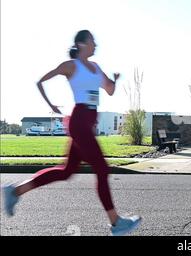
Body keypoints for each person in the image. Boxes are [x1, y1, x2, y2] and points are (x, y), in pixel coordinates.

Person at [2, 30, 141, 236]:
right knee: (102, 169)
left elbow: (109, 90)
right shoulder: (71, 66)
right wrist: (51, 104)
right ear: (81, 44)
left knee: (67, 171)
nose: (96, 45)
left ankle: (16, 191)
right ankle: (116, 223)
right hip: (79, 121)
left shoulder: (96, 68)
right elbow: (41, 81)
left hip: (88, 121)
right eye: (92, 41)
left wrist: (114, 80)